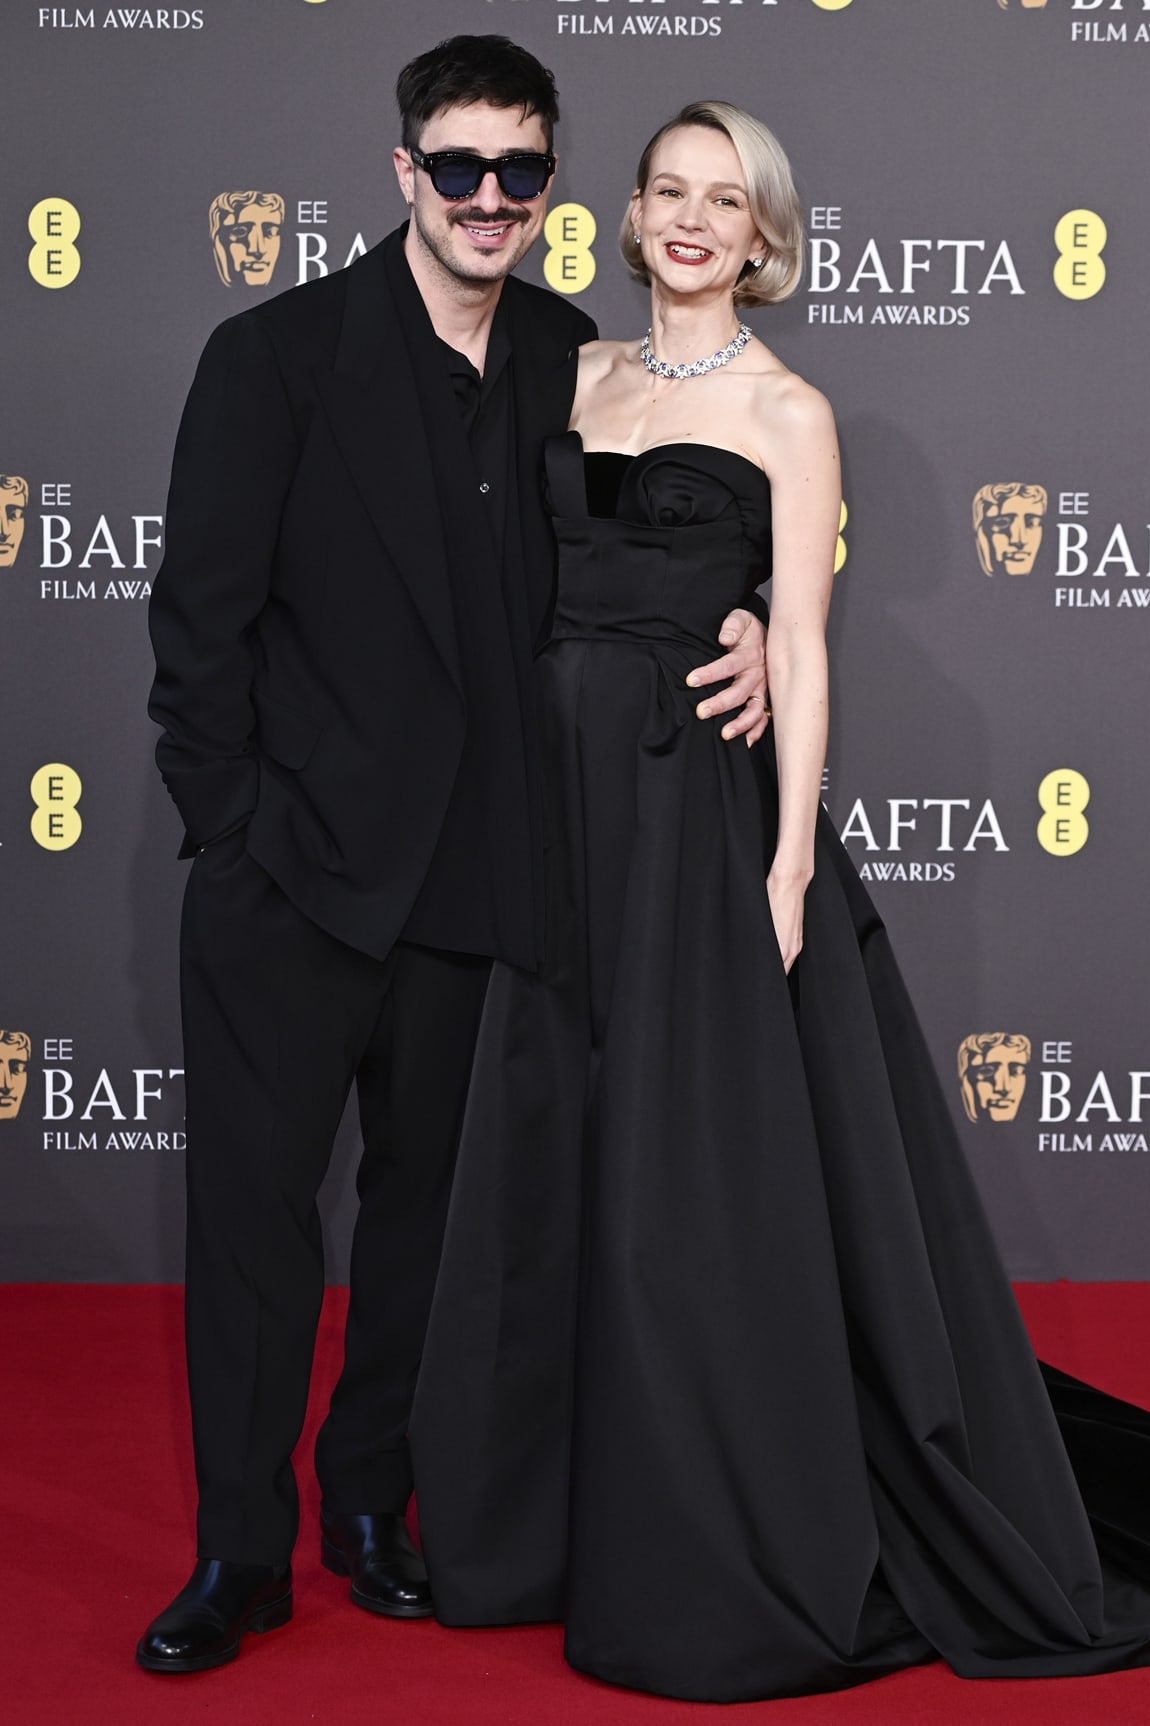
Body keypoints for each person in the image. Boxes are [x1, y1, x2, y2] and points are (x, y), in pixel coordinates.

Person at [409, 102, 1150, 1702]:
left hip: (692, 819)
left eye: (728, 203)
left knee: (683, 1188)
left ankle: (704, 1532)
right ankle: (524, 1523)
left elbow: (811, 643)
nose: (696, 222)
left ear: (762, 238)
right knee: (551, 1150)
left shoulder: (790, 408)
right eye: (671, 194)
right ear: (628, 218)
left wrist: (783, 862)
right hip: (552, 826)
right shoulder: (565, 374)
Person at [138, 42, 767, 1676]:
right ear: (403, 171)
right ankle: (241, 1548)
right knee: (256, 1228)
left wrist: (754, 624)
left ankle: (370, 1508)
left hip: (480, 880)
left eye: (522, 172)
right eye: (460, 166)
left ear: (553, 189)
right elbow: (196, 632)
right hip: (290, 883)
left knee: (422, 1227)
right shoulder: (274, 355)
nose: (491, 199)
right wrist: (238, 833)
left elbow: (658, 549)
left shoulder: (573, 357)